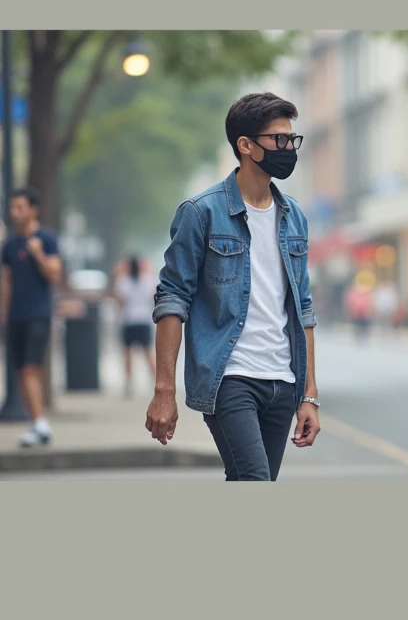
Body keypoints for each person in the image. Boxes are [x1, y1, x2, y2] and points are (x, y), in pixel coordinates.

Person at [145, 92, 320, 481]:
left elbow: (302, 309)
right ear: (246, 145)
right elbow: (172, 299)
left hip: (282, 380)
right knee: (254, 481)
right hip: (230, 377)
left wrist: (309, 395)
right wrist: (164, 389)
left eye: (292, 140)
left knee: (250, 482)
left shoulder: (295, 219)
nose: (288, 149)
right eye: (278, 140)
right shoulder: (201, 213)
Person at [0, 187, 62, 447]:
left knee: (30, 368)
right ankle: (37, 424)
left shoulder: (47, 239)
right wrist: (4, 314)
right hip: (16, 316)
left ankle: (40, 423)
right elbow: (6, 281)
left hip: (38, 313)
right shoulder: (10, 244)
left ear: (32, 209)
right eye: (12, 208)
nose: (15, 213)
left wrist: (37, 253)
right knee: (20, 369)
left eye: (20, 208)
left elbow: (54, 274)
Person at [113, 256, 157, 397]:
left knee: (127, 354)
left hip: (128, 320)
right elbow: (155, 297)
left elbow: (120, 302)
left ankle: (128, 383)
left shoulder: (123, 281)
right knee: (148, 352)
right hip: (144, 320)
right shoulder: (148, 280)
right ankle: (156, 380)